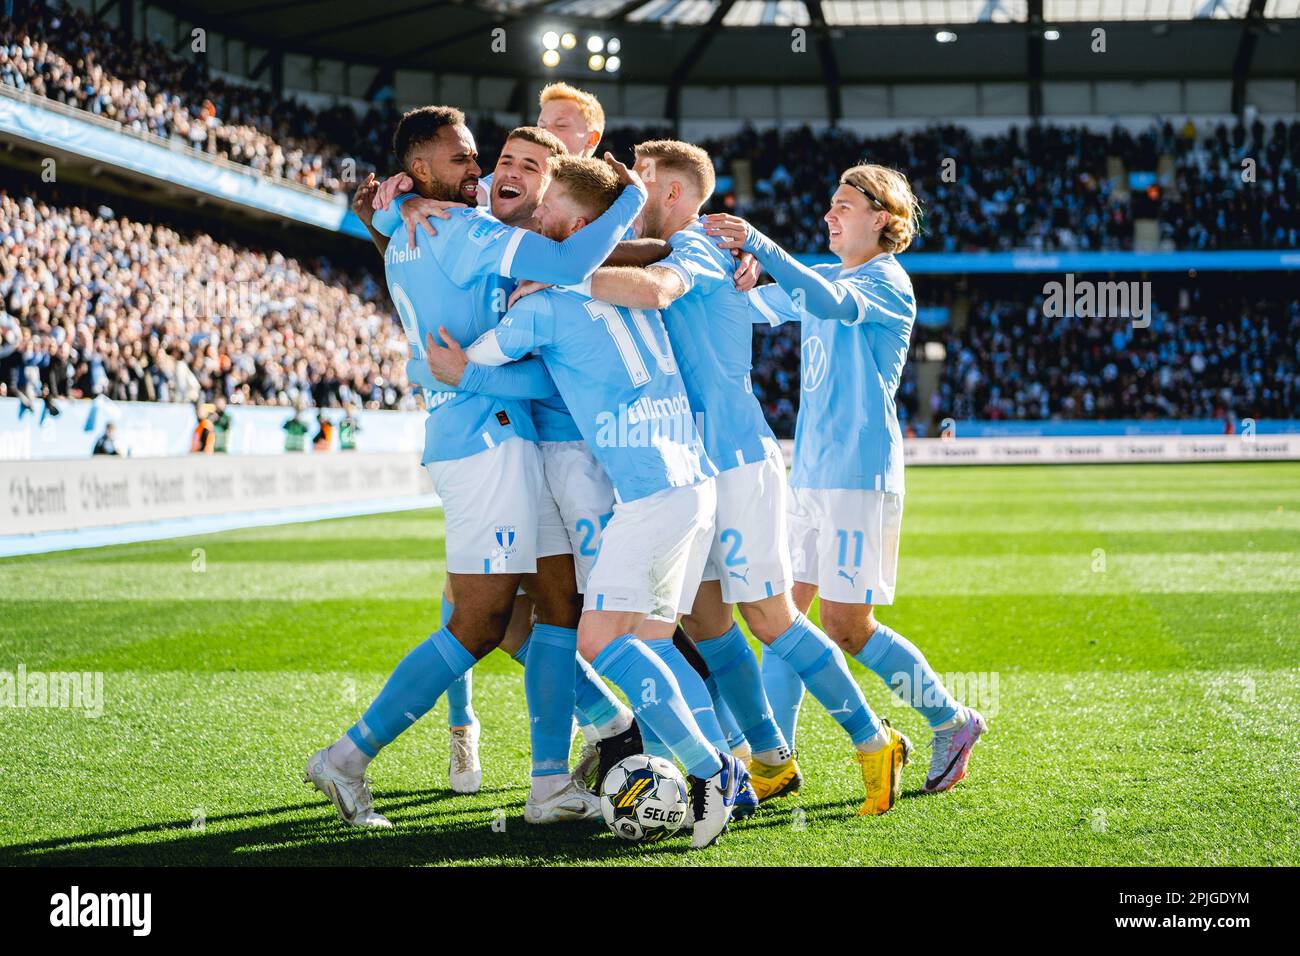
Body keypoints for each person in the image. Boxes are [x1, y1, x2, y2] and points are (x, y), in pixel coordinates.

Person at [304, 106, 646, 829]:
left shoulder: (418, 218)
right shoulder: (457, 226)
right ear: (421, 165)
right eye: (462, 160)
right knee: (480, 622)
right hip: (479, 439)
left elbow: (410, 208)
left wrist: (395, 201)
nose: (478, 171)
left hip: (506, 432)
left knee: (560, 604)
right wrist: (634, 199)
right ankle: (347, 756)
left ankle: (550, 785)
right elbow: (565, 262)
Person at [579, 140, 915, 814]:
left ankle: (870, 740)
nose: (628, 194)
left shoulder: (698, 246)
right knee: (702, 623)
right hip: (689, 471)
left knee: (770, 618)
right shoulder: (679, 247)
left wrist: (555, 271)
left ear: (673, 193)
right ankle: (767, 760)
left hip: (735, 462)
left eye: (639, 182)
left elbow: (655, 288)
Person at [439, 156, 749, 848]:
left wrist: (447, 365)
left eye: (548, 209)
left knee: (597, 640)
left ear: (579, 223)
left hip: (653, 495)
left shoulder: (545, 305)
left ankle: (714, 769)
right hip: (689, 484)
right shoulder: (612, 287)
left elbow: (478, 359)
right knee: (643, 644)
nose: (539, 219)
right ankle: (712, 772)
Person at [705, 164, 987, 796]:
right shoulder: (827, 274)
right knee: (784, 616)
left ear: (882, 218)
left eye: (843, 206)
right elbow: (752, 306)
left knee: (847, 626)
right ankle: (776, 760)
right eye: (830, 206)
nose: (829, 216)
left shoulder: (887, 281)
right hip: (809, 474)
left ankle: (953, 719)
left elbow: (827, 302)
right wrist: (739, 271)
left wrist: (765, 249)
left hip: (859, 475)